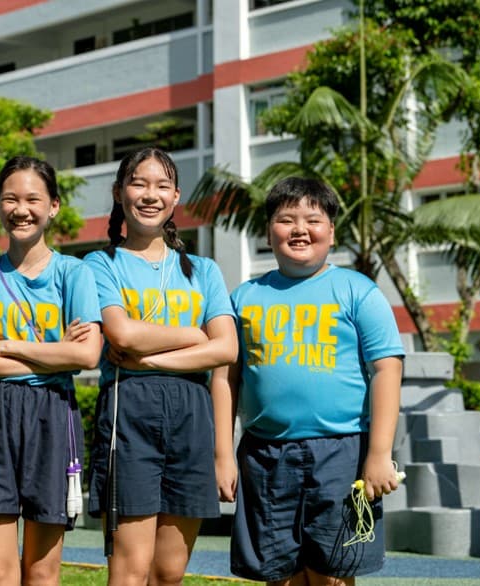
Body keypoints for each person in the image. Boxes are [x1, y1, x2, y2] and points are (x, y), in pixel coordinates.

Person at [221, 177, 405, 586]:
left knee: (332, 572)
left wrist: (379, 454)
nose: (299, 229)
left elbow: (387, 370)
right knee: (278, 571)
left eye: (313, 220)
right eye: (286, 219)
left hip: (343, 451)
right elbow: (225, 377)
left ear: (331, 231)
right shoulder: (243, 298)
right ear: (268, 231)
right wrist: (222, 454)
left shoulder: (358, 290)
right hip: (265, 453)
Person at [0, 155, 102, 585]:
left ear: (54, 206)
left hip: (53, 415)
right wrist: (53, 352)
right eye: (10, 199)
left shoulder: (75, 273)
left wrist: (3, 345)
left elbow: (87, 356)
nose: (21, 209)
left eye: (33, 199)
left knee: (42, 573)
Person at [84, 147, 238, 585]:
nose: (150, 195)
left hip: (192, 413)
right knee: (130, 569)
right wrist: (196, 336)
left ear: (175, 198)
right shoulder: (100, 264)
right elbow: (122, 333)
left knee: (169, 572)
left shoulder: (204, 270)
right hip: (129, 411)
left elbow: (227, 349)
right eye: (139, 183)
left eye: (162, 186)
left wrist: (150, 358)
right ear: (119, 192)